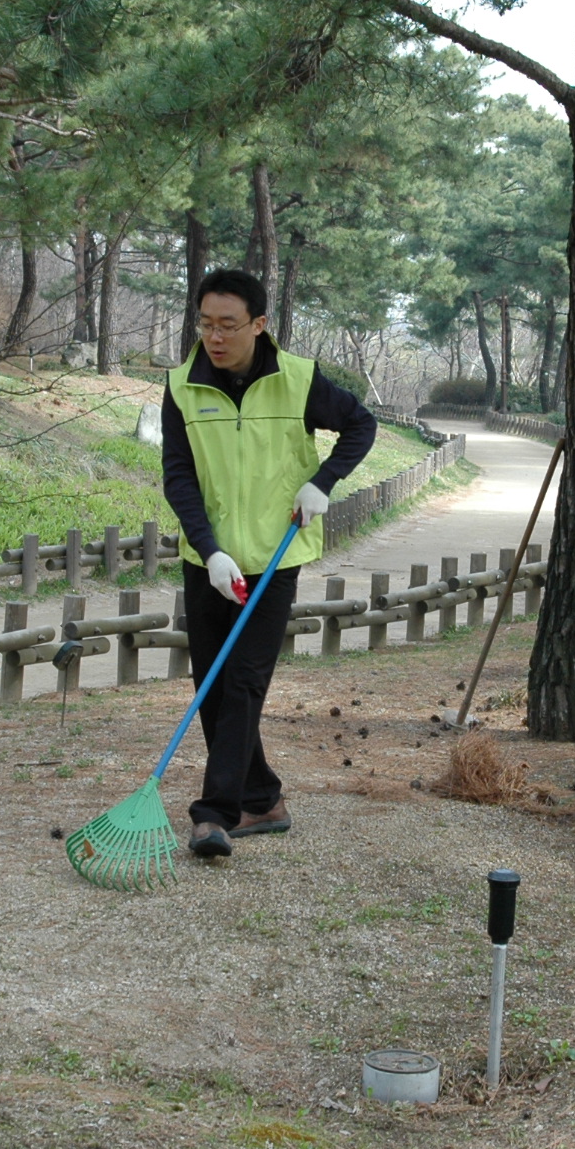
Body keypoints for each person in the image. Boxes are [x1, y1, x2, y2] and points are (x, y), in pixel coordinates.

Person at [160, 270, 375, 857]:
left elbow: (362, 424)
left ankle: (214, 813)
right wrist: (210, 550)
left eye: (228, 325)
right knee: (212, 684)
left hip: (275, 557)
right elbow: (178, 476)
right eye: (206, 324)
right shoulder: (182, 386)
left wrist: (323, 482)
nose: (215, 337)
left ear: (259, 324)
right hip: (211, 559)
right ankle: (264, 799)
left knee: (245, 682)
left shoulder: (298, 381)